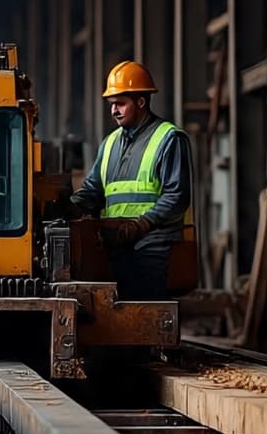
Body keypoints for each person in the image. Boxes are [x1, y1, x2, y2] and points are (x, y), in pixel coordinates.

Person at [69, 60, 192, 301]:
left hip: (154, 248)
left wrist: (141, 225)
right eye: (112, 104)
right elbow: (94, 190)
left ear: (141, 102)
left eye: (120, 104)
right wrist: (71, 204)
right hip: (116, 248)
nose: (114, 110)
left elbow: (177, 196)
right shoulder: (110, 143)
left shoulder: (169, 139)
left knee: (144, 317)